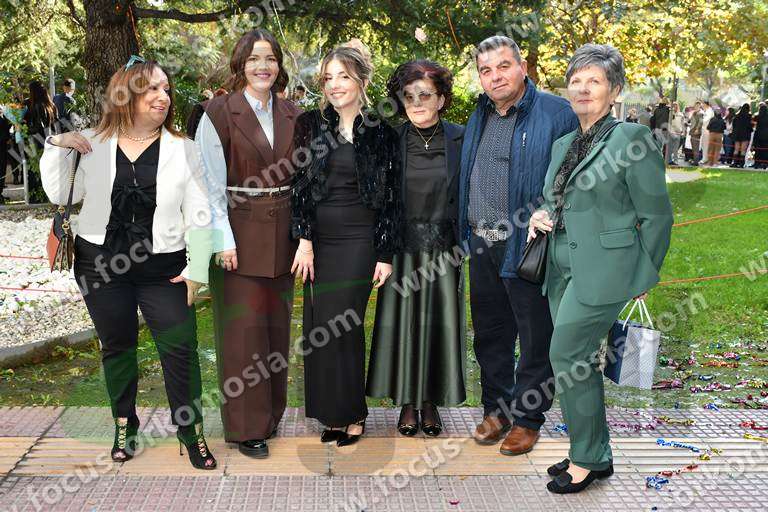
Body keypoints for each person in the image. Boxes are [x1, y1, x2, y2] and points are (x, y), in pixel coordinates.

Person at [39, 57, 217, 470]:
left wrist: (197, 270)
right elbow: (60, 194)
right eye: (151, 88)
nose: (162, 96)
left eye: (166, 89)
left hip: (164, 269)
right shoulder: (92, 142)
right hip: (100, 265)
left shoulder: (184, 149)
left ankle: (190, 430)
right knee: (117, 347)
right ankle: (125, 424)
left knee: (180, 349)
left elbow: (201, 212)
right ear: (126, 95)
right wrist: (57, 144)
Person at [529, 43, 673, 494]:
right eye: (576, 81)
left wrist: (644, 272)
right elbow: (554, 200)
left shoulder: (631, 139)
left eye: (594, 81)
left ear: (614, 91)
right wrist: (540, 214)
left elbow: (657, 215)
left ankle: (587, 458)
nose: (582, 88)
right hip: (560, 268)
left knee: (567, 356)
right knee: (579, 362)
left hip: (606, 270)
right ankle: (593, 451)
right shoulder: (563, 144)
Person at [457, 35, 578, 455]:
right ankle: (497, 410)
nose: (495, 77)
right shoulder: (480, 114)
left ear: (523, 68)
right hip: (481, 242)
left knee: (534, 336)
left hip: (528, 245)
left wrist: (550, 211)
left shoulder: (557, 113)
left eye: (504, 66)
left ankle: (528, 420)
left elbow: (575, 175)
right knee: (490, 334)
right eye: (486, 70)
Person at [195, 29, 301, 459]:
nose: (263, 66)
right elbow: (207, 182)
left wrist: (305, 238)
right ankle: (245, 428)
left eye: (270, 58)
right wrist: (222, 239)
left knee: (276, 330)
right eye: (255, 58)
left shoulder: (293, 112)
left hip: (285, 234)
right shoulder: (218, 112)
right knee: (244, 335)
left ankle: (270, 415)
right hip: (237, 234)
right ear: (240, 64)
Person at [291, 39, 401, 447]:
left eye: (343, 76)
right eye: (328, 78)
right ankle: (331, 415)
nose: (335, 84)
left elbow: (392, 198)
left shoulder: (381, 132)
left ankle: (353, 412)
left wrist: (385, 254)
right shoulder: (310, 125)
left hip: (360, 241)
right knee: (321, 324)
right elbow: (299, 185)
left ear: (362, 81)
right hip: (320, 240)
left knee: (345, 323)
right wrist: (304, 241)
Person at [366, 60, 466, 437]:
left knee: (438, 325)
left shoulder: (461, 138)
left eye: (425, 95)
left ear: (441, 99)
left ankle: (431, 402)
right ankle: (408, 402)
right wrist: (381, 252)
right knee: (404, 326)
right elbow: (380, 201)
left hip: (445, 249)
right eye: (409, 96)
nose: (417, 103)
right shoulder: (391, 140)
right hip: (402, 250)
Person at [731, 103, 753, 168]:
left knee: (736, 149)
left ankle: (735, 163)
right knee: (743, 150)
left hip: (737, 134)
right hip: (745, 134)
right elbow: (749, 126)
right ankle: (741, 164)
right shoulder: (749, 116)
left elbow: (733, 124)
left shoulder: (737, 115)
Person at [0, 107, 11, 204]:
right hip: (1, 146)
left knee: (2, 170)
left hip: (3, 147)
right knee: (1, 170)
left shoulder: (2, 117)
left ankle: (0, 193)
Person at [752, 103, 768, 169]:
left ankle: (756, 163)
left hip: (758, 134)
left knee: (757, 149)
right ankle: (764, 163)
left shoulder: (757, 116)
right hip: (766, 135)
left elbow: (753, 124)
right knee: (765, 149)